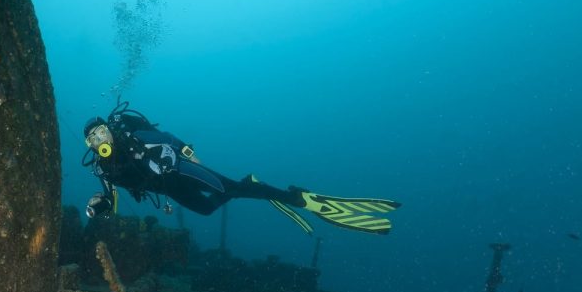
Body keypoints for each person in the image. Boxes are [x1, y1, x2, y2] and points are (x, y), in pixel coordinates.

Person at [81, 102, 400, 235]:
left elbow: (166, 138)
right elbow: (112, 200)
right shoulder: (103, 170)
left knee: (228, 189)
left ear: (110, 129)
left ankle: (296, 197)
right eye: (93, 139)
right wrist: (100, 206)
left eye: (101, 132)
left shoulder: (134, 138)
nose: (100, 140)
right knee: (207, 209)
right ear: (90, 146)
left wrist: (191, 155)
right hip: (169, 189)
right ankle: (251, 183)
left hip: (179, 170)